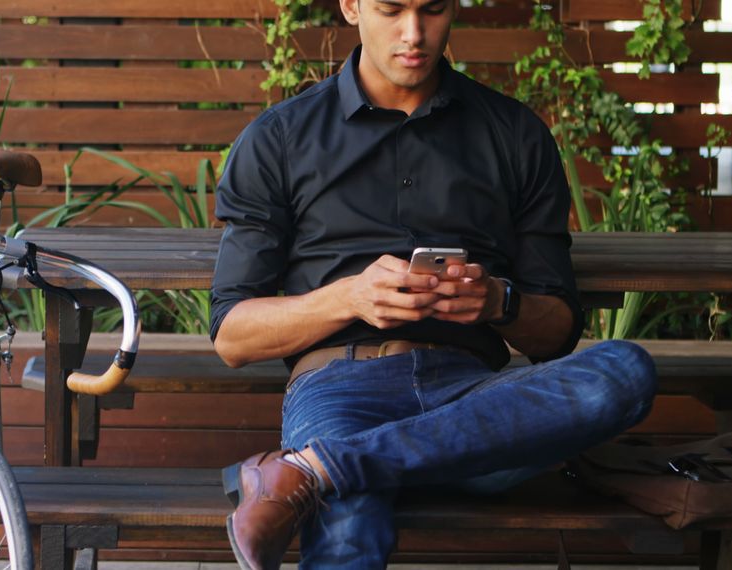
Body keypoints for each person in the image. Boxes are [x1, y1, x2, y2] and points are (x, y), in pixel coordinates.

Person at [208, 0, 659, 568]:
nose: (414, 33)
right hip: (339, 386)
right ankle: (339, 465)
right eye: (391, 9)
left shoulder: (515, 134)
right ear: (351, 6)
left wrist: (499, 301)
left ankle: (314, 470)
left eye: (434, 9)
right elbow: (232, 336)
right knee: (349, 531)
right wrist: (348, 296)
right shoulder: (279, 138)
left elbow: (555, 333)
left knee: (624, 371)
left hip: (472, 399)